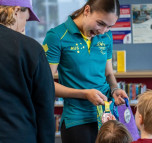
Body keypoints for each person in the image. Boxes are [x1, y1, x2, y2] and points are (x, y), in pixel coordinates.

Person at [43, 0, 128, 143]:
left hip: (107, 115)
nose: (102, 31)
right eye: (100, 23)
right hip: (77, 118)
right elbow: (46, 84)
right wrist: (84, 94)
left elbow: (108, 74)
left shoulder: (106, 36)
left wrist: (114, 89)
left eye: (109, 26)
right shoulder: (56, 36)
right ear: (87, 10)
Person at [0, 0, 55, 143]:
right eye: (26, 19)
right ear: (16, 11)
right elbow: (44, 107)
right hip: (18, 135)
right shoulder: (30, 49)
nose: (25, 25)